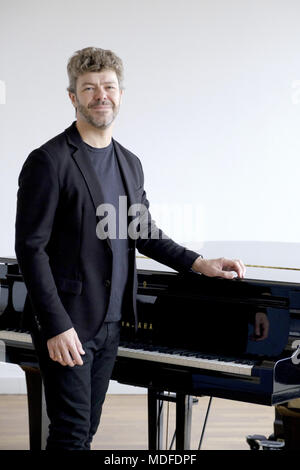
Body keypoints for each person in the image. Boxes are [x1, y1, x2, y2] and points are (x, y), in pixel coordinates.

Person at [15, 47, 246, 450]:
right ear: (73, 97)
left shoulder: (130, 163)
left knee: (86, 429)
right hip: (67, 321)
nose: (100, 95)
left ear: (120, 94)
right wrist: (55, 325)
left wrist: (198, 262)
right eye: (89, 88)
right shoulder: (48, 161)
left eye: (108, 86)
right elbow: (30, 250)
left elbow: (143, 232)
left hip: (110, 322)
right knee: (70, 432)